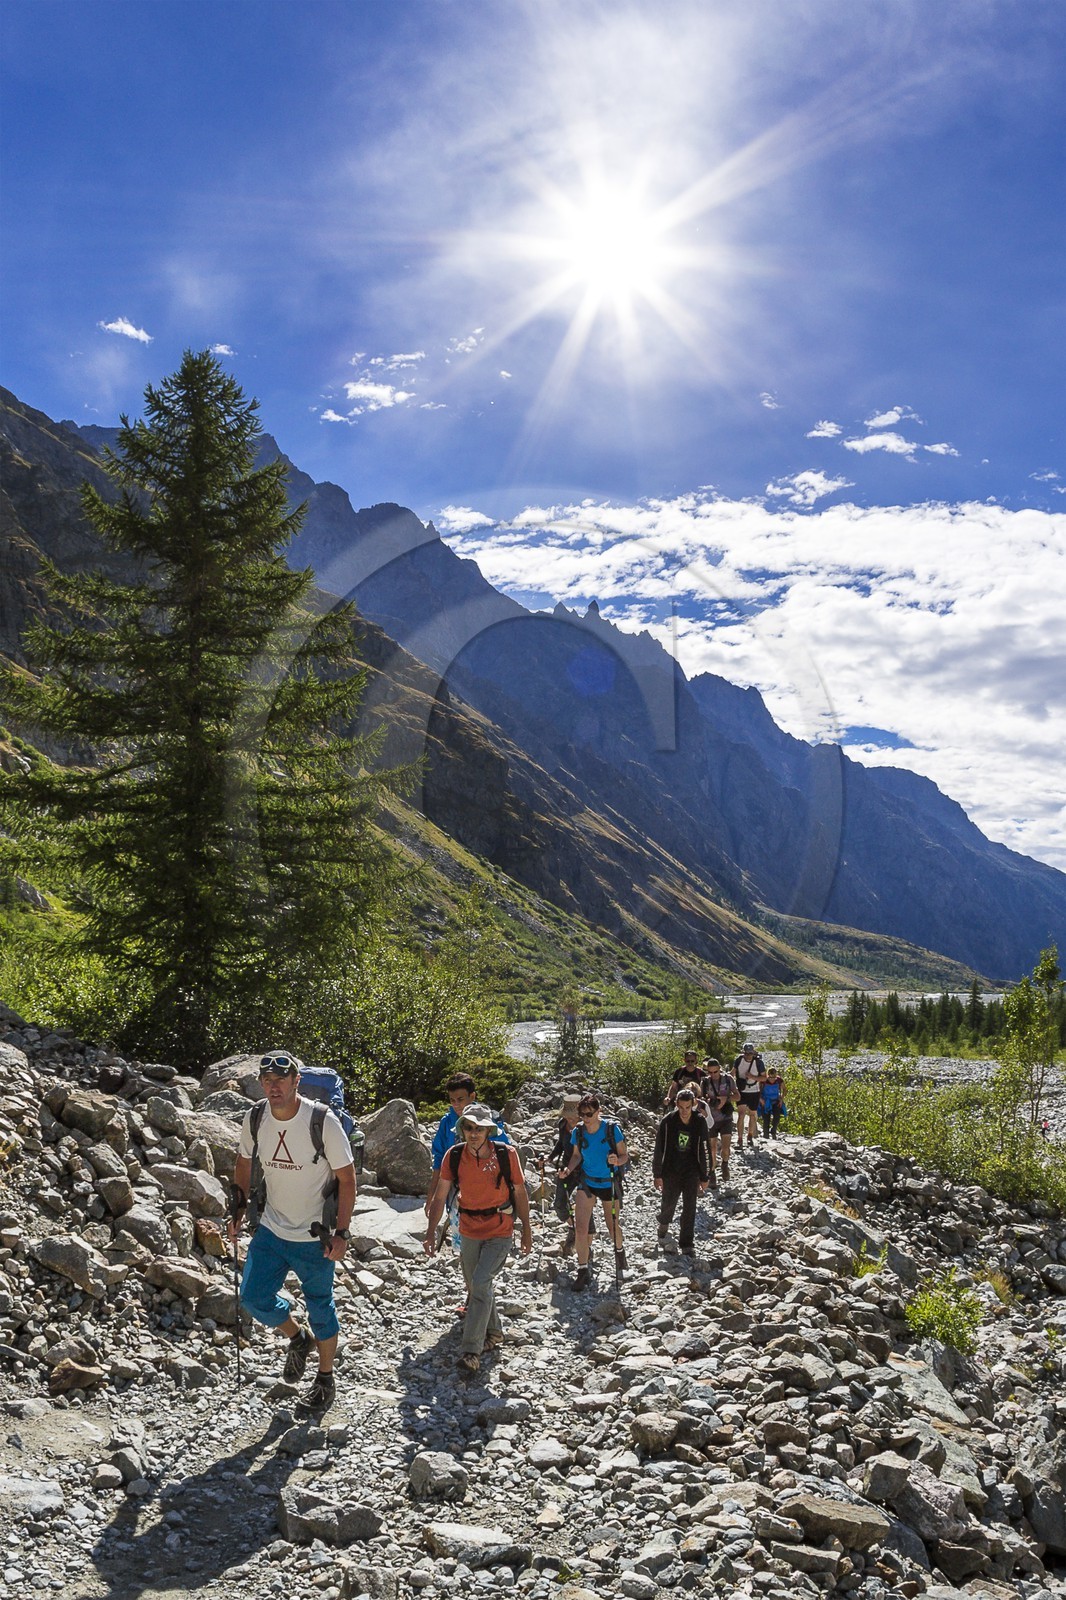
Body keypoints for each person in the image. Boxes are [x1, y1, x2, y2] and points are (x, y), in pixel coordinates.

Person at [229, 1050, 356, 1415]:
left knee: (321, 1307)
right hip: (271, 1227)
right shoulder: (255, 1117)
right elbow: (243, 1161)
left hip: (314, 1236)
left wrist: (342, 1233)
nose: (273, 1087)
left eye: (280, 1080)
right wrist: (238, 1208)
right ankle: (298, 1338)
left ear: (296, 1081)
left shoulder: (322, 1121)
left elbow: (347, 1179)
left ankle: (325, 1378)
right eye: (267, 1080)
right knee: (253, 1298)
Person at [423, 1103, 532, 1375]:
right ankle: (494, 1333)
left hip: (500, 1228)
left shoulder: (507, 1155)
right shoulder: (454, 1155)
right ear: (462, 1129)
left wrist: (526, 1230)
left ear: (488, 1131)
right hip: (469, 1229)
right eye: (469, 1127)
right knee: (476, 1286)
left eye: (479, 1128)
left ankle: (471, 1350)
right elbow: (440, 1195)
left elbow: (519, 1193)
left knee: (481, 1282)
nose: (473, 1133)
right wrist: (430, 1231)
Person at [560, 1093, 629, 1292]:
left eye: (589, 1113)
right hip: (587, 1182)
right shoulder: (579, 1132)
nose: (585, 1118)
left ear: (599, 1112)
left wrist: (617, 1161)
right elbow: (575, 1155)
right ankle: (583, 1271)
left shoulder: (611, 1130)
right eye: (582, 1114)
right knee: (580, 1228)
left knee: (612, 1226)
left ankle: (619, 1251)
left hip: (609, 1182)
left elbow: (624, 1155)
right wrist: (568, 1170)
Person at [425, 1072, 509, 1220]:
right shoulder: (446, 1123)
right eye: (452, 1100)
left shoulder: (489, 1123)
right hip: (456, 1192)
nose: (456, 1104)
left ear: (472, 1096)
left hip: (488, 1192)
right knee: (462, 1240)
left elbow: (505, 1156)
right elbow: (439, 1160)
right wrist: (432, 1197)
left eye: (460, 1099)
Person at [653, 1086, 713, 1255]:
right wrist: (657, 1174)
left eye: (688, 1107)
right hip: (671, 1169)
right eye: (681, 1107)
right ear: (677, 1105)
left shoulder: (699, 1121)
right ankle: (664, 1224)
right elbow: (659, 1149)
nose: (685, 1111)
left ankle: (687, 1243)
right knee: (668, 1202)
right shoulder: (668, 1121)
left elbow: (704, 1149)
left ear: (694, 1104)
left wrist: (705, 1175)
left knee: (690, 1207)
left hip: (691, 1171)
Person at [548, 1092, 595, 1253]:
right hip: (567, 1167)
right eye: (568, 1118)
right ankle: (573, 1226)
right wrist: (549, 1158)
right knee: (560, 1204)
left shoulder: (588, 1130)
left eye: (574, 1118)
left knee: (585, 1206)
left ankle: (587, 1246)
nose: (571, 1121)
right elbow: (560, 1145)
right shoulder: (563, 1125)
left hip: (585, 1171)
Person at [703, 1057, 738, 1182]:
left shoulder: (728, 1080)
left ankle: (725, 1163)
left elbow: (738, 1097)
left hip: (726, 1118)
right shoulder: (705, 1082)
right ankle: (712, 1172)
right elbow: (701, 1099)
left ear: (720, 1070)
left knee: (725, 1147)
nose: (713, 1075)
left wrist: (725, 1098)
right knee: (711, 1148)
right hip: (711, 1119)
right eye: (710, 1072)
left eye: (715, 1072)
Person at [732, 1042, 765, 1151]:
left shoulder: (759, 1063)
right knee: (741, 1114)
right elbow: (733, 1073)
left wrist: (752, 1077)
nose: (748, 1056)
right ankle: (740, 1138)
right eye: (747, 1053)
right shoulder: (738, 1061)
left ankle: (750, 1135)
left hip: (754, 1091)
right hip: (742, 1091)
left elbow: (764, 1078)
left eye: (750, 1053)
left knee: (752, 1114)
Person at [758, 1064, 786, 1139]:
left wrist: (781, 1099)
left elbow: (785, 1089)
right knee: (766, 1119)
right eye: (770, 1077)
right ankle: (766, 1135)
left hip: (775, 1101)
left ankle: (773, 1131)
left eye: (774, 1077)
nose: (772, 1079)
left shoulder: (779, 1080)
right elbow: (757, 1091)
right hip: (765, 1101)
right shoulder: (763, 1081)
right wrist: (761, 1100)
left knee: (777, 1118)